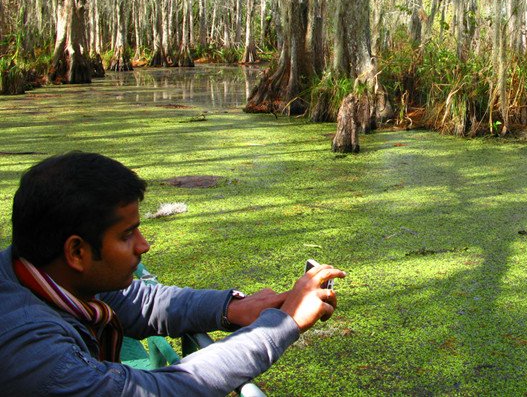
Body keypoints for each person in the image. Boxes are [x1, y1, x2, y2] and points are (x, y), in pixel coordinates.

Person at [0, 152, 345, 396]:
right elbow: (162, 389)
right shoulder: (35, 354)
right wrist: (283, 325)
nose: (143, 245)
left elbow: (137, 301)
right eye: (126, 235)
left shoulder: (36, 269)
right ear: (77, 252)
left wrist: (231, 308)